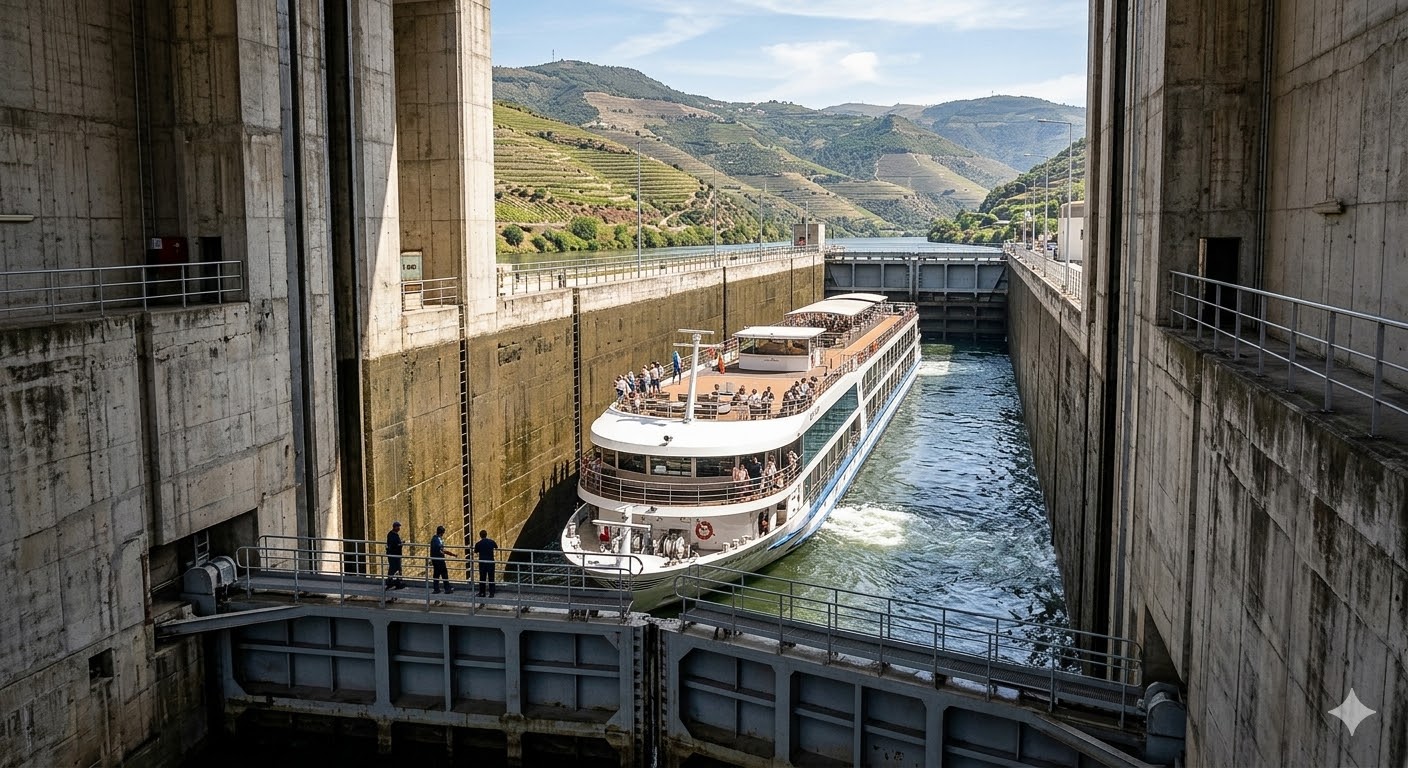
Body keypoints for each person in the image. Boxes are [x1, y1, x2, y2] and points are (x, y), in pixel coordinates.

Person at [430, 525, 455, 594]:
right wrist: (452, 554)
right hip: (439, 560)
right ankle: (447, 589)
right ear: (442, 533)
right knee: (444, 574)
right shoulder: (438, 540)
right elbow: (442, 550)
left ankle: (436, 589)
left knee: (436, 574)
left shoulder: (433, 539)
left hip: (434, 559)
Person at [473, 529, 498, 597]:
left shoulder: (478, 544)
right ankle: (492, 593)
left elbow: (475, 551)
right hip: (491, 562)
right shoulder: (491, 542)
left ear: (480, 536)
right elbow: (496, 547)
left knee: (482, 578)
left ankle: (482, 593)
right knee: (491, 577)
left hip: (482, 562)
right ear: (486, 535)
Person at [385, 521, 405, 589]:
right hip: (394, 555)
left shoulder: (393, 534)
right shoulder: (392, 535)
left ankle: (397, 582)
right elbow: (395, 545)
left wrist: (400, 543)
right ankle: (391, 582)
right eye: (398, 527)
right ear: (394, 527)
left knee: (396, 568)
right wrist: (400, 544)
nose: (399, 528)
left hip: (395, 555)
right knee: (394, 568)